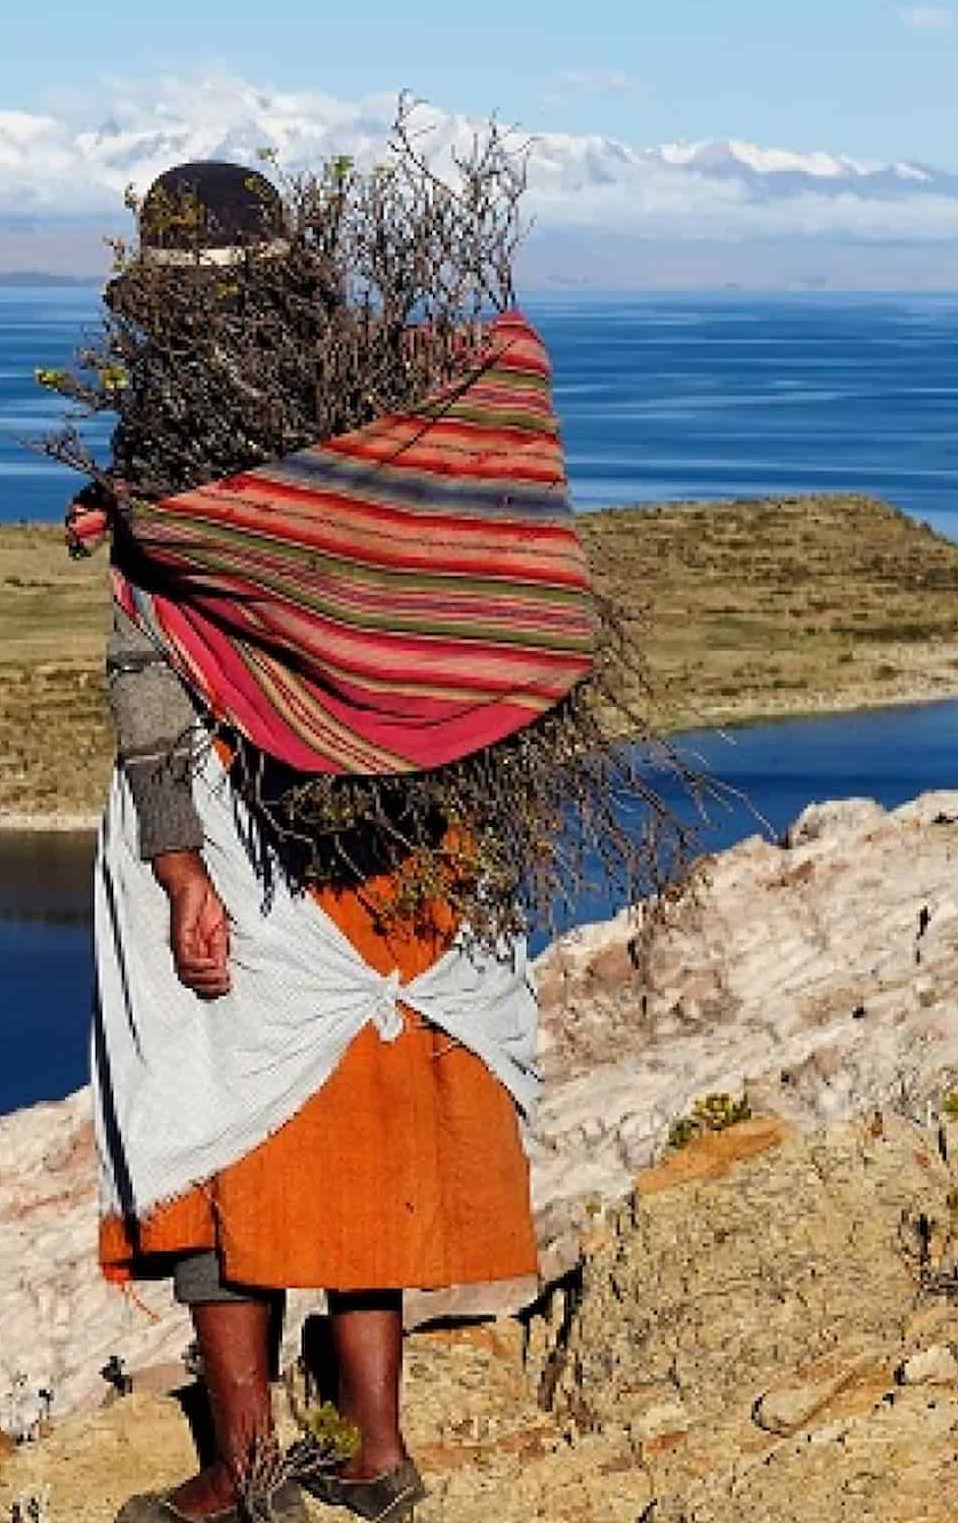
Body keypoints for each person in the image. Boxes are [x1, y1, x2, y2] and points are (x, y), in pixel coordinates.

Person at [71, 161, 590, 1523]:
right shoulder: (391, 392)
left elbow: (152, 665)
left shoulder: (178, 426)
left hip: (241, 816)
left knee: (215, 1125)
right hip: (416, 815)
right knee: (368, 1117)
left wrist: (181, 867)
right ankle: (375, 1454)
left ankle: (245, 1471)